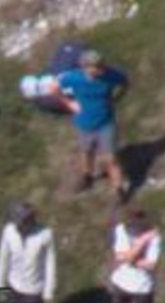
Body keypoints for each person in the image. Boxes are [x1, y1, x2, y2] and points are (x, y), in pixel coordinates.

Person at [50, 49, 130, 202]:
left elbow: (125, 82)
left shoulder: (111, 75)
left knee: (110, 158)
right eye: (97, 67)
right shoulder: (74, 77)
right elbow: (53, 87)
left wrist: (116, 98)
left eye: (101, 65)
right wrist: (69, 103)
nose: (101, 69)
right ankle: (88, 176)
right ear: (85, 68)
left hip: (106, 123)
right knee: (87, 152)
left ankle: (119, 189)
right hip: (84, 124)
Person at [110, 209, 162, 303]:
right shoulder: (122, 230)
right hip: (121, 281)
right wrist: (142, 242)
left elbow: (151, 265)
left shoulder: (155, 237)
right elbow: (120, 256)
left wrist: (130, 259)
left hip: (141, 285)